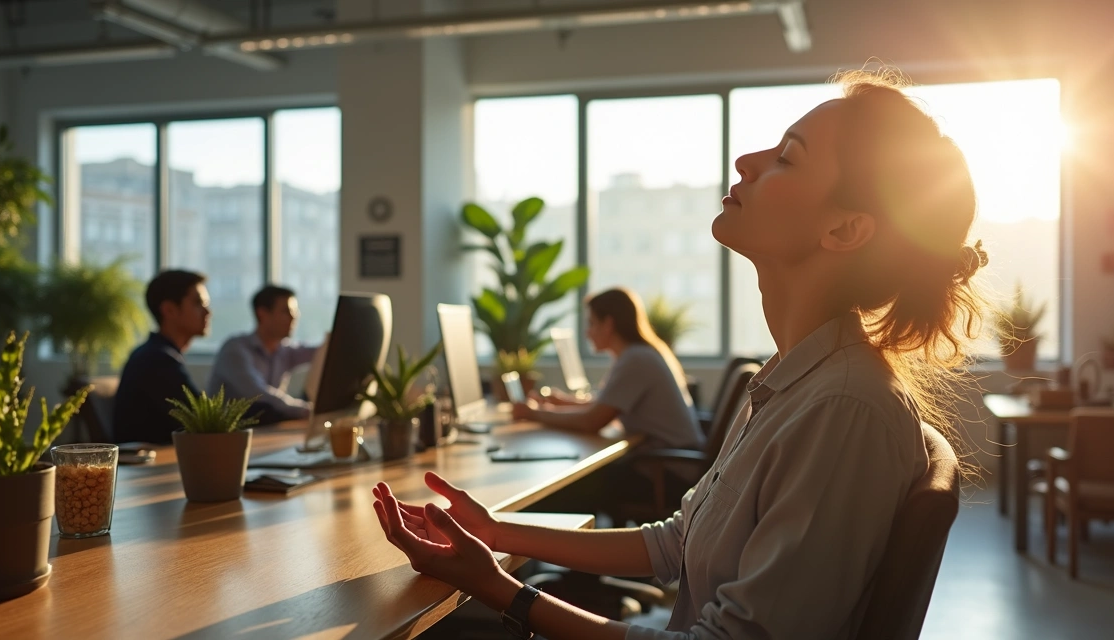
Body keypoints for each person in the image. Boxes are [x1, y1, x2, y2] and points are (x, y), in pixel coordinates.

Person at [370, 69, 990, 639]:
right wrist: (495, 532)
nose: (747, 161)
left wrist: (501, 589)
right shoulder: (795, 379)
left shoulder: (844, 410)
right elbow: (673, 546)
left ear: (845, 230)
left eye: (786, 157)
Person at [513, 287, 704, 452]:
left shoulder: (635, 359)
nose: (587, 333)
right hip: (664, 459)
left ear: (608, 324)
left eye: (592, 323)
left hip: (668, 470)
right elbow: (603, 407)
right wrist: (561, 403)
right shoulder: (638, 354)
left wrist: (532, 413)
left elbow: (592, 422)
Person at [114, 270, 210, 444]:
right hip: (152, 467)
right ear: (169, 310)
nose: (207, 312)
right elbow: (203, 419)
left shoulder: (157, 354)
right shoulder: (156, 360)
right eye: (198, 303)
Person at [207, 285, 320, 425]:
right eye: (286, 311)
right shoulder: (235, 350)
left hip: (266, 431)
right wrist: (307, 410)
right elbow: (259, 394)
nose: (294, 317)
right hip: (228, 437)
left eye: (295, 312)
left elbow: (321, 352)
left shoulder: (285, 350)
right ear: (262, 314)